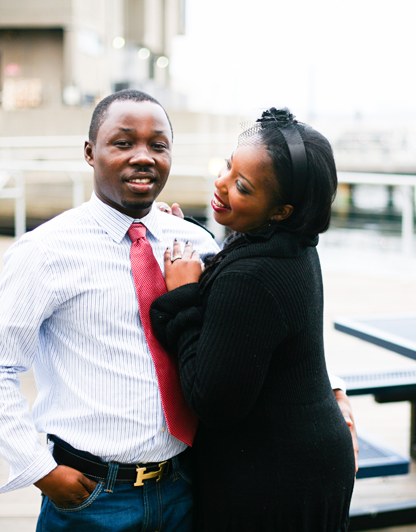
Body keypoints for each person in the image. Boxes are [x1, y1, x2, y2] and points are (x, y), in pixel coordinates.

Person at [0, 90, 356, 531]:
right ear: (90, 153)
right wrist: (38, 467)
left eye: (158, 145)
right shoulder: (44, 251)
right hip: (94, 495)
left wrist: (333, 390)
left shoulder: (196, 243)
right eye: (123, 142)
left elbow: (262, 329)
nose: (143, 157)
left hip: (186, 488)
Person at [150, 107, 356, 531]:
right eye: (228, 166)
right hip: (311, 455)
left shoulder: (253, 277)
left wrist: (185, 295)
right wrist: (183, 235)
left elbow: (212, 401)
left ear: (281, 210)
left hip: (274, 482)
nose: (221, 184)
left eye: (241, 187)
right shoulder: (295, 244)